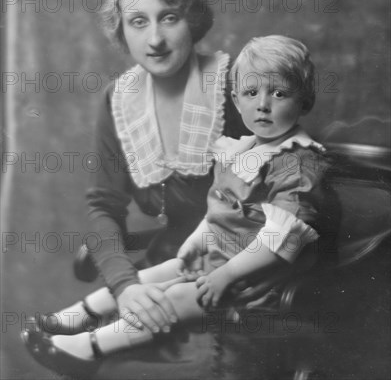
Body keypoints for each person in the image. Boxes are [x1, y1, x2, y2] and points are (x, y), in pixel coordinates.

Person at [22, 35, 333, 378]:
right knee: (155, 275)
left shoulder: (297, 164)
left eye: (278, 93)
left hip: (255, 281)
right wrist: (197, 240)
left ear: (304, 101)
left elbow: (280, 238)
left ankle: (87, 347)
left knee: (171, 301)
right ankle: (79, 315)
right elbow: (218, 210)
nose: (263, 105)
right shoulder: (243, 150)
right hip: (219, 259)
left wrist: (226, 274)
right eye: (251, 93)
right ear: (236, 99)